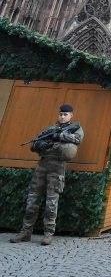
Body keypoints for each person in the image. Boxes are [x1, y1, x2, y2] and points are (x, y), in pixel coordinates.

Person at [10, 103, 84, 246]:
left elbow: (77, 139)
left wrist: (59, 136)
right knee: (32, 200)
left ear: (71, 115)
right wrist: (40, 145)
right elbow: (34, 143)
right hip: (42, 165)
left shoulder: (75, 128)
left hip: (57, 167)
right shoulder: (49, 129)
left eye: (65, 114)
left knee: (51, 202)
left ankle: (48, 234)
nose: (62, 117)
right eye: (61, 114)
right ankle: (25, 232)